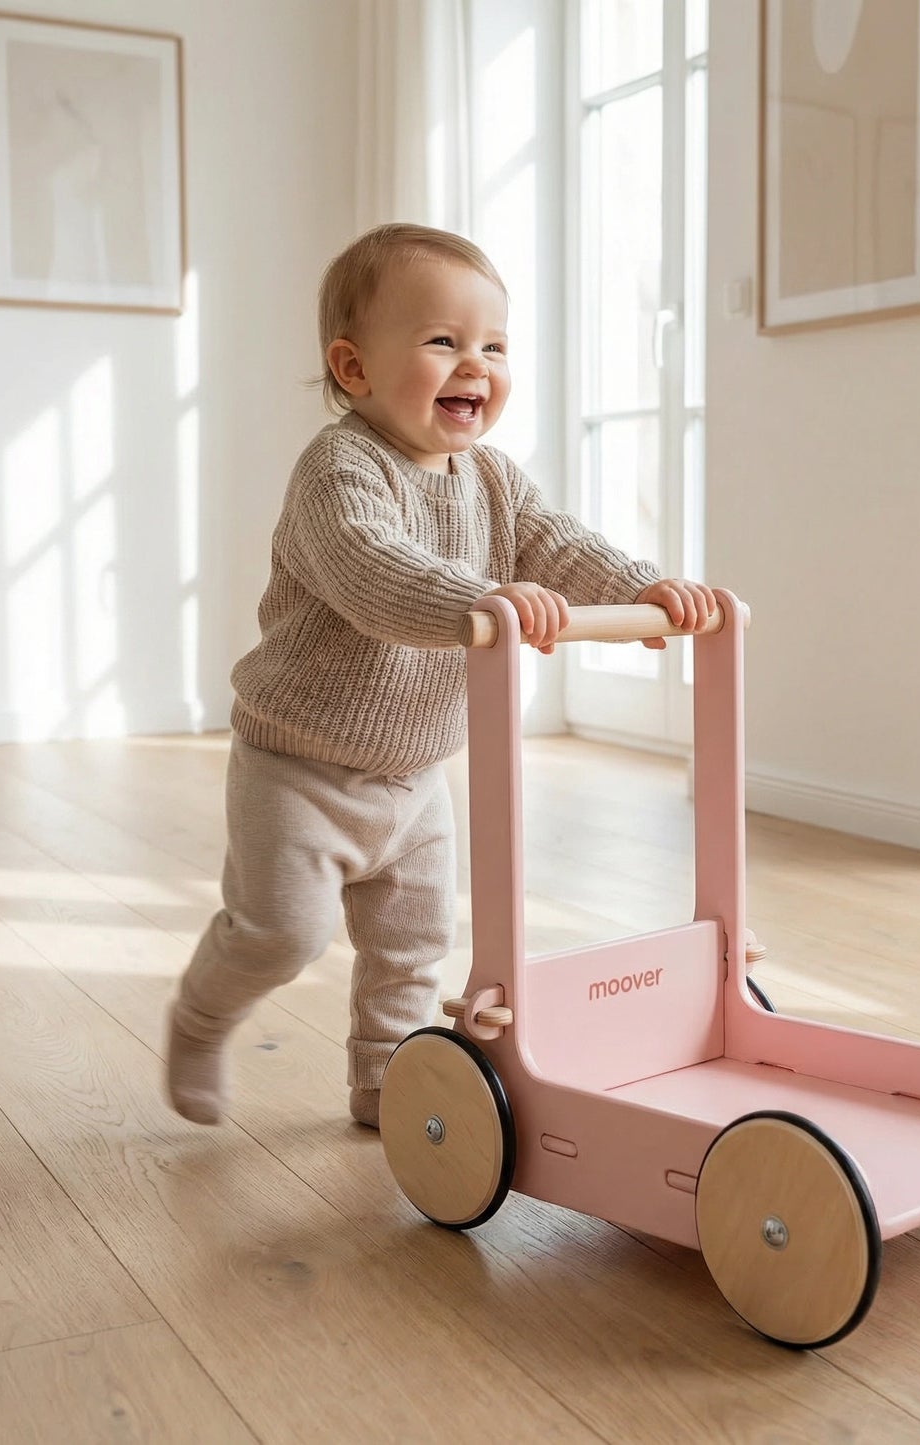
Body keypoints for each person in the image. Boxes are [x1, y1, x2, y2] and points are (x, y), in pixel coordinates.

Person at [165, 222, 714, 1128]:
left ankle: (388, 1084)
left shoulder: (491, 476)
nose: (476, 364)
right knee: (280, 934)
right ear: (353, 369)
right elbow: (372, 571)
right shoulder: (337, 470)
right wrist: (487, 598)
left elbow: (556, 542)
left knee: (415, 945)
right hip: (297, 767)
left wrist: (639, 588)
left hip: (416, 775)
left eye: (494, 346)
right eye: (442, 341)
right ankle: (201, 1016)